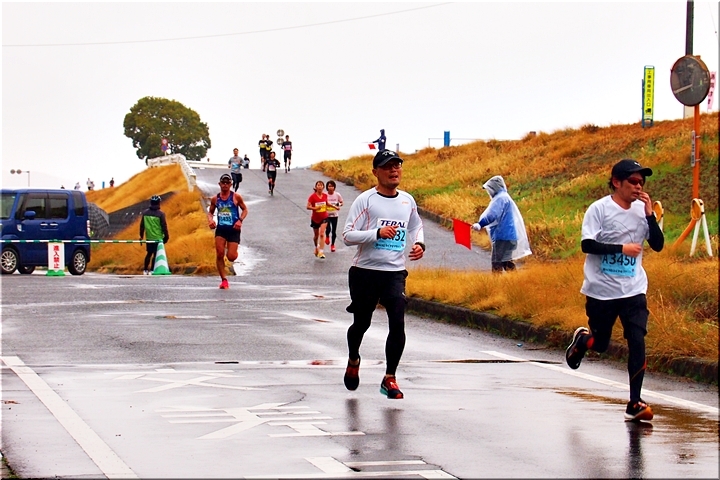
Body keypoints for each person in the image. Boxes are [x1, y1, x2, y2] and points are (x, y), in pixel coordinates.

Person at [565, 159, 664, 422]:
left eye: (642, 182)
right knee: (601, 344)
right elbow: (587, 245)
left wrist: (650, 215)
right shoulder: (599, 209)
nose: (638, 186)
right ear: (617, 182)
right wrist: (622, 249)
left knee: (637, 339)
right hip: (601, 291)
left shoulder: (642, 211)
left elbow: (658, 245)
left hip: (633, 289)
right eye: (633, 181)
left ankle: (635, 402)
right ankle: (584, 341)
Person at [341, 149, 425, 399]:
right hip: (365, 272)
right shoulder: (366, 200)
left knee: (397, 323)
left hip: (394, 273)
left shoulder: (407, 201)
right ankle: (353, 359)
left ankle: (390, 378)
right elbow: (347, 236)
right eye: (387, 166)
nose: (393, 170)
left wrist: (419, 243)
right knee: (362, 323)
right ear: (375, 172)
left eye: (397, 165)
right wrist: (376, 233)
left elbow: (416, 225)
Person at [471, 175, 532, 272]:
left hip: (503, 237)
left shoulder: (500, 198)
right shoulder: (504, 197)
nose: (489, 192)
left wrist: (480, 224)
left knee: (497, 263)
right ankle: (516, 280)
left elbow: (492, 214)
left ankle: (497, 281)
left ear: (494, 187)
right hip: (509, 236)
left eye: (489, 189)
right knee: (506, 262)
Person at [207, 173, 249, 289]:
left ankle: (232, 250)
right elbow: (210, 212)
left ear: (231, 184)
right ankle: (224, 280)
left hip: (234, 229)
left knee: (231, 257)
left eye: (227, 183)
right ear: (219, 184)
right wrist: (210, 220)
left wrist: (240, 220)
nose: (225, 185)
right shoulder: (215, 199)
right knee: (219, 254)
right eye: (223, 183)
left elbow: (245, 209)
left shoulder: (236, 197)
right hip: (221, 229)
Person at [139, 195, 169, 275]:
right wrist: (166, 236)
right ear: (159, 203)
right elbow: (164, 226)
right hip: (158, 237)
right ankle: (152, 270)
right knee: (155, 254)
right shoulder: (161, 214)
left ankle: (145, 270)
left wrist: (141, 236)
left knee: (149, 253)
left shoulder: (145, 213)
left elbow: (142, 226)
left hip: (149, 237)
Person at [306, 180, 329, 259]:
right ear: (316, 187)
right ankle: (316, 247)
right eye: (318, 185)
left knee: (322, 234)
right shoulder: (312, 197)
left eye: (321, 185)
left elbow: (327, 204)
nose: (319, 187)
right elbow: (308, 206)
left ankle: (321, 252)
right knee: (316, 236)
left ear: (323, 187)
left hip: (324, 217)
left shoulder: (325, 195)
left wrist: (335, 206)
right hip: (315, 219)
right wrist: (315, 208)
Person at [324, 180, 344, 252]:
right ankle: (327, 236)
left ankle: (332, 245)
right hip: (326, 215)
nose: (331, 188)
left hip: (335, 215)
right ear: (327, 187)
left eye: (332, 186)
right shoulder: (325, 195)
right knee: (328, 229)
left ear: (334, 187)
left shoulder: (337, 195)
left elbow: (342, 202)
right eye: (329, 186)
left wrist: (339, 204)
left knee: (334, 231)